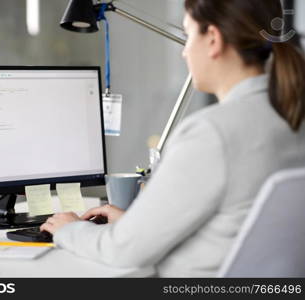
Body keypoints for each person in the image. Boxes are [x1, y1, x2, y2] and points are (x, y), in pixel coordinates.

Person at [40, 0, 305, 277]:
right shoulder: (289, 117)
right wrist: (134, 224)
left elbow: (122, 251)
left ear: (213, 39)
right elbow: (235, 224)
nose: (184, 52)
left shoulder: (212, 133)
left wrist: (70, 230)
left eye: (188, 35)